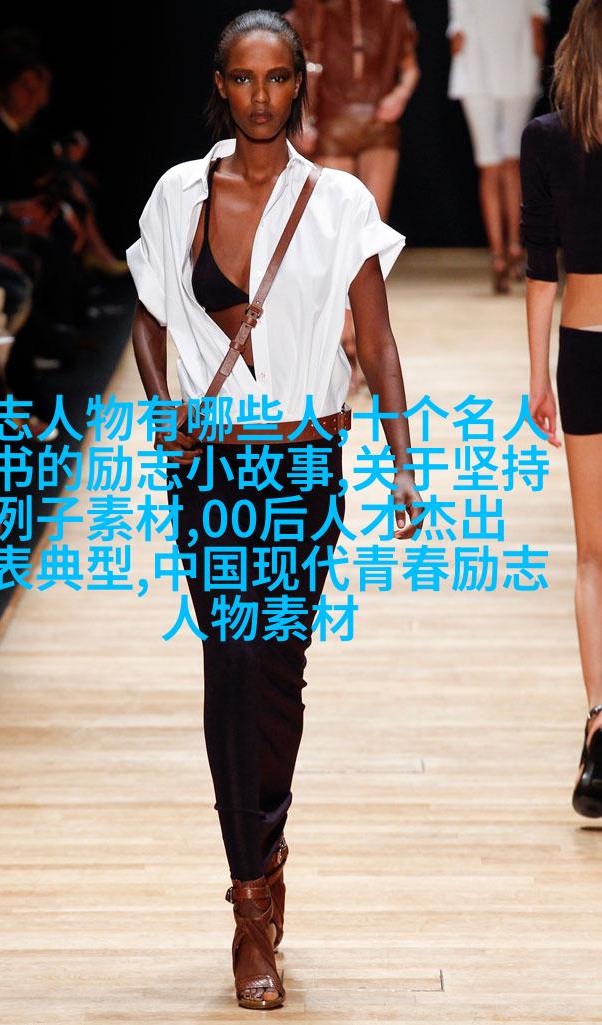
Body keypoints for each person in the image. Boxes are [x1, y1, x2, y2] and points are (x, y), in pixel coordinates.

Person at [126, 8, 424, 1010]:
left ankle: (267, 841)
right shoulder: (177, 194)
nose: (260, 96)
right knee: (230, 663)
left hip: (301, 464)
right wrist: (164, 411)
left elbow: (376, 340)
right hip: (211, 465)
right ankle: (250, 904)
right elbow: (147, 315)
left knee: (276, 670)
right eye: (243, 79)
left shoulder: (337, 202)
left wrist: (404, 462)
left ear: (300, 84)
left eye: (276, 78)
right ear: (220, 85)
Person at [519, 0, 602, 818]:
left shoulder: (547, 137)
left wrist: (536, 374)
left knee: (591, 556)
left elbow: (539, 263)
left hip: (584, 348)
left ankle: (598, 726)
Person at [285, 0, 420, 392]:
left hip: (378, 123)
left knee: (368, 244)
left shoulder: (391, 10)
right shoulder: (311, 11)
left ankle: (362, 343)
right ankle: (344, 343)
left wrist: (399, 96)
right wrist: (303, 119)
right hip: (332, 123)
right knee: (337, 243)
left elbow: (410, 68)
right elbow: (298, 70)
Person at [448, 0, 549, 293]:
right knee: (508, 163)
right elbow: (537, 27)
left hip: (478, 72)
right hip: (513, 67)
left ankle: (499, 254)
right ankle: (513, 247)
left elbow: (457, 36)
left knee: (492, 165)